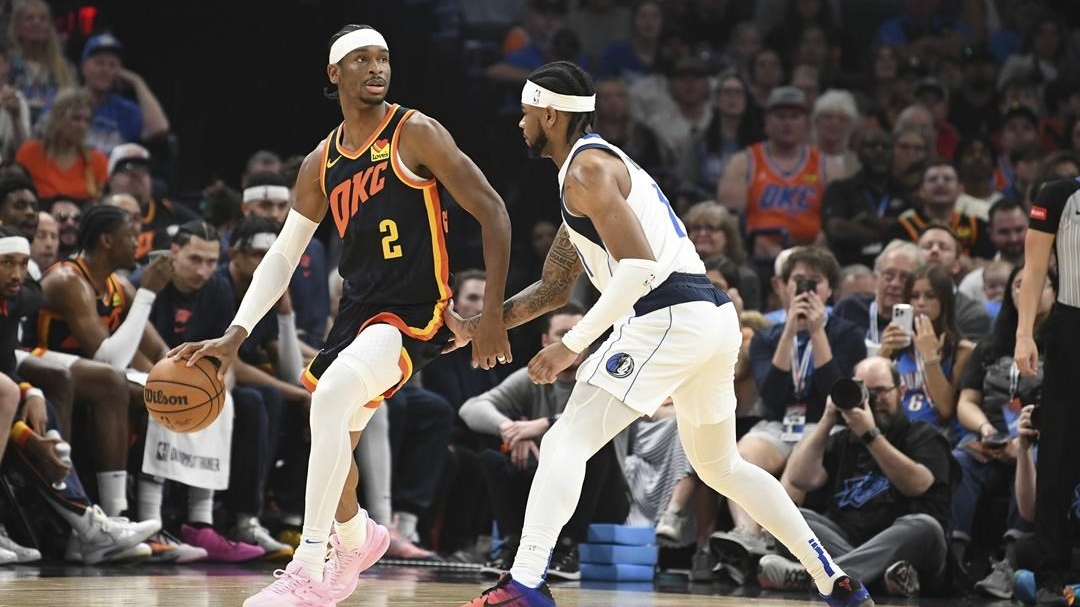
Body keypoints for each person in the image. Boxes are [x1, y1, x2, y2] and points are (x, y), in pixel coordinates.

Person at [450, 60, 872, 607]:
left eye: (527, 111)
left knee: (563, 442)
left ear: (550, 113)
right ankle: (833, 579)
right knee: (721, 466)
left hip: (666, 314)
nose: (520, 122)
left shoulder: (587, 171)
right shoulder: (585, 173)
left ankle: (526, 582)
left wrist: (571, 347)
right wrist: (476, 328)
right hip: (709, 321)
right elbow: (554, 288)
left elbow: (639, 270)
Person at [168, 25, 512, 607]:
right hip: (355, 315)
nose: (377, 68)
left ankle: (308, 566)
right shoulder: (320, 162)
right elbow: (282, 254)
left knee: (327, 401)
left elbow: (494, 211)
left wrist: (495, 313)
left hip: (413, 314)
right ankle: (358, 536)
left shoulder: (416, 132)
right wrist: (233, 335)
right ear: (335, 73)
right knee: (331, 439)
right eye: (362, 59)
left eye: (384, 59)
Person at [772, 356, 953, 599]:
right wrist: (827, 418)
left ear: (901, 391)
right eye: (865, 391)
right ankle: (877, 579)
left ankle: (820, 576)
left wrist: (870, 435)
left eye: (880, 391)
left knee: (925, 526)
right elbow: (799, 479)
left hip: (909, 549)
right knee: (789, 517)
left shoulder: (923, 435)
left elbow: (916, 485)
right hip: (850, 542)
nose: (873, 400)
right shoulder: (843, 439)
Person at [1014, 178, 1080, 606]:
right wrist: (1023, 334)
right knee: (1058, 455)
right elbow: (1035, 269)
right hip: (1073, 327)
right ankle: (1050, 580)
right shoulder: (1059, 196)